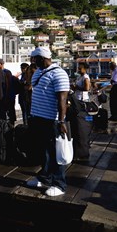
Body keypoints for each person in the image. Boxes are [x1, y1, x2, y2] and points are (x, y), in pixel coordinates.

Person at [25, 46, 70, 197]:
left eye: (35, 59)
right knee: (43, 150)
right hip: (38, 117)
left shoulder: (59, 74)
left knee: (55, 151)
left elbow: (62, 99)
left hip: (52, 120)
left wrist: (61, 121)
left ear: (42, 58)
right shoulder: (38, 72)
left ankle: (59, 183)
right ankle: (45, 177)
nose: (33, 61)